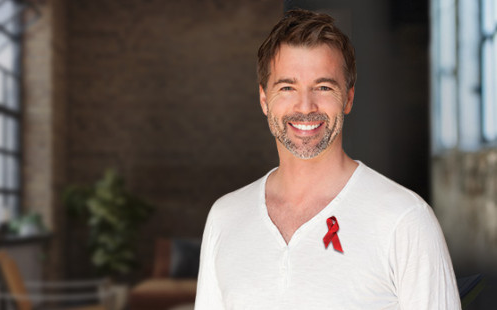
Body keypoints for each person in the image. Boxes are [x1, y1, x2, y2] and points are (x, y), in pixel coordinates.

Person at [195, 8, 461, 309]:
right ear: (264, 100)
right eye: (287, 87)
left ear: (347, 98)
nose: (306, 106)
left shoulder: (405, 220)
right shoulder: (225, 217)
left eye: (323, 87)